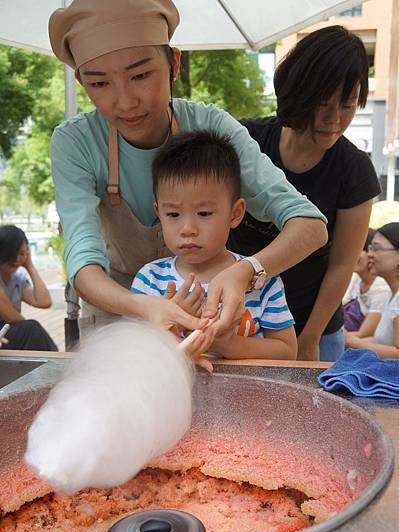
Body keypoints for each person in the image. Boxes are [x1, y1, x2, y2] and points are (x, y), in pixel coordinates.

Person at [48, 0, 327, 341]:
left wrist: (248, 270)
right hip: (117, 313)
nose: (125, 102)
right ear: (80, 81)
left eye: (140, 75)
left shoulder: (210, 125)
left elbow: (310, 226)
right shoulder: (75, 142)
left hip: (212, 320)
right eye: (99, 84)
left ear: (174, 63)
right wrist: (143, 305)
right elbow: (83, 262)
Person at [228, 25, 380, 361]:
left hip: (312, 327)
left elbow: (341, 266)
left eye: (348, 104)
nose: (333, 120)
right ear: (299, 94)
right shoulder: (247, 140)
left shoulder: (354, 170)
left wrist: (310, 337)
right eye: (323, 104)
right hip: (239, 324)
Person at [132, 131, 297, 363]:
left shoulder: (261, 281)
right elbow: (132, 353)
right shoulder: (149, 280)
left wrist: (228, 344)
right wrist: (166, 335)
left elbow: (287, 351)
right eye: (173, 214)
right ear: (158, 213)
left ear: (235, 213)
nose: (188, 228)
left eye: (204, 213)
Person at [0, 225, 58, 351]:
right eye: (12, 254)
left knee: (31, 330)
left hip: (5, 336)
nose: (17, 260)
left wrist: (30, 266)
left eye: (22, 254)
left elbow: (44, 302)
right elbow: (12, 318)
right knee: (31, 328)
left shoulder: (17, 279)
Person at [345, 223, 399, 358]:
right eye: (370, 248)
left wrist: (353, 342)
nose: (370, 254)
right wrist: (349, 341)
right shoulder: (391, 294)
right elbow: (381, 341)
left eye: (376, 248)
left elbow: (397, 354)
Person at [343, 228, 389, 333]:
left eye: (358, 249)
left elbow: (363, 334)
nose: (351, 255)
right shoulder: (356, 278)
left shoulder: (381, 287)